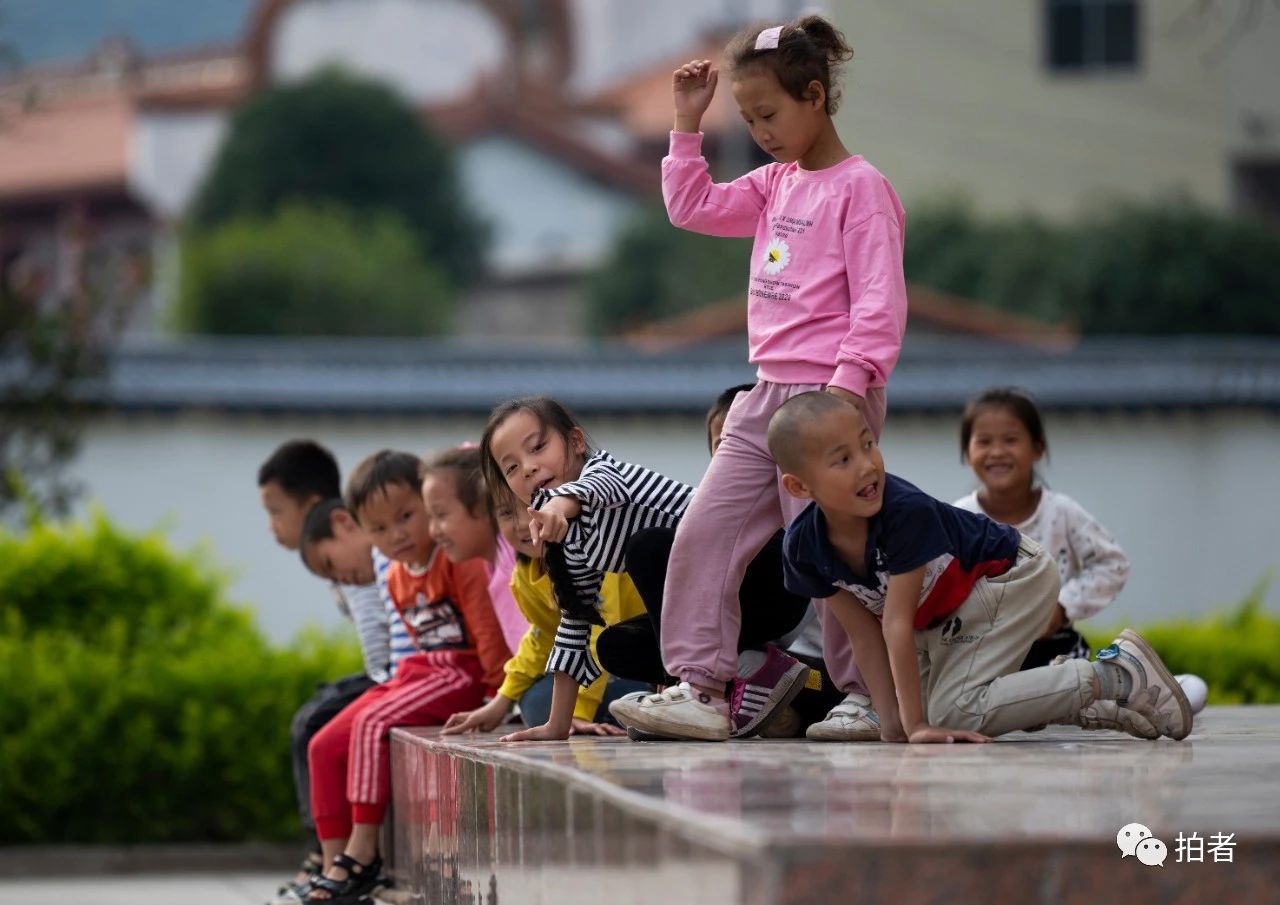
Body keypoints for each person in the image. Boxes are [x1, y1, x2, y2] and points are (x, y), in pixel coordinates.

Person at [621, 14, 909, 742]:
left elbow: (879, 304)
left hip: (828, 399)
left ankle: (864, 695)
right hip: (764, 393)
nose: (762, 131)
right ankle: (701, 687)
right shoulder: (775, 183)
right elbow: (693, 206)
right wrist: (688, 126)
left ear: (816, 96)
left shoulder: (861, 188)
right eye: (748, 119)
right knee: (705, 529)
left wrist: (845, 398)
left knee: (827, 551)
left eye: (770, 114)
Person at [767, 391, 1192, 744]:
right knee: (941, 710)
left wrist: (914, 726)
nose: (866, 465)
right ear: (799, 486)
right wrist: (892, 723)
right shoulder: (803, 547)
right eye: (842, 460)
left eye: (868, 444)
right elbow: (862, 634)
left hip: (1011, 575)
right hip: (956, 605)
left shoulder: (903, 514)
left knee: (956, 712)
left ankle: (1116, 675)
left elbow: (895, 623)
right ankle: (1088, 701)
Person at [301, 450, 510, 904]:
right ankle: (336, 860)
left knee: (373, 724)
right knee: (323, 744)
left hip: (463, 673)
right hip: (422, 673)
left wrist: (499, 697)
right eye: (378, 529)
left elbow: (488, 638)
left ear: (429, 506)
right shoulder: (396, 576)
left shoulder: (457, 562)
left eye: (407, 516)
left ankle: (363, 853)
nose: (396, 535)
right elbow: (416, 650)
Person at [607, 384, 848, 739]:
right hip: (729, 653)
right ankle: (702, 696)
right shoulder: (709, 521)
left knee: (805, 677)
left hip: (810, 666)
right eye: (725, 448)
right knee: (616, 643)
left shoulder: (809, 506)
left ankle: (767, 699)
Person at [953, 387, 1208, 713]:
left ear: (1037, 449)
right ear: (966, 452)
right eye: (984, 441)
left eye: (1011, 440)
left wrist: (1061, 606)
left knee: (1072, 691)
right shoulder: (959, 518)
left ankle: (1139, 690)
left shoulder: (1061, 512)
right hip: (985, 658)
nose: (997, 451)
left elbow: (1111, 563)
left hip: (1053, 651)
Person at [479, 396, 693, 742]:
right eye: (512, 468)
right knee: (611, 644)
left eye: (537, 448)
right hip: (707, 613)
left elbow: (594, 489)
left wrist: (560, 507)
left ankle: (702, 686)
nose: (528, 468)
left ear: (577, 442)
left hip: (755, 569)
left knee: (645, 548)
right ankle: (696, 688)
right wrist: (558, 724)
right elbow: (575, 624)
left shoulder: (606, 472)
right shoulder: (568, 539)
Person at [255, 441, 394, 902]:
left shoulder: (360, 557)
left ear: (317, 508)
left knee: (314, 722)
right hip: (390, 669)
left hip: (395, 671)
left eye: (276, 512)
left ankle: (324, 852)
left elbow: (381, 638)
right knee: (319, 712)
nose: (273, 528)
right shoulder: (343, 560)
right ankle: (324, 851)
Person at [443, 491, 647, 737]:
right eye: (506, 513)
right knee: (534, 700)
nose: (521, 524)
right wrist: (501, 702)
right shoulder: (524, 572)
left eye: (535, 507)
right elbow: (542, 638)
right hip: (606, 668)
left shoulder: (593, 552)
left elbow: (597, 630)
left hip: (650, 666)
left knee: (540, 703)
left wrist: (577, 713)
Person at [419, 445, 529, 655]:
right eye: (429, 517)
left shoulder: (514, 559)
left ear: (482, 505)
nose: (433, 532)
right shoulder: (493, 564)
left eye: (441, 515)